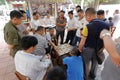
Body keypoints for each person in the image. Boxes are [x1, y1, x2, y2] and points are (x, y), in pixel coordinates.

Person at [78, 8, 110, 80]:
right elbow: (107, 39)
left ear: (89, 16)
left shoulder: (87, 26)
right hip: (99, 49)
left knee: (85, 64)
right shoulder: (106, 25)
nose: (86, 18)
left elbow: (82, 41)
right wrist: (103, 48)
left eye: (86, 17)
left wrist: (80, 48)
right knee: (95, 63)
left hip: (88, 49)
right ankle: (93, 75)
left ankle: (85, 77)